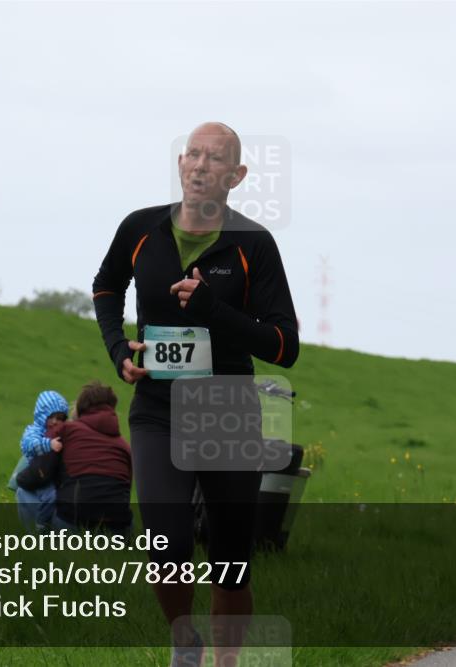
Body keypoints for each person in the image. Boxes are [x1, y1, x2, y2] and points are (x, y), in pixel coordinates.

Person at [91, 122, 299, 667]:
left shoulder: (254, 244)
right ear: (181, 163)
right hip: (158, 411)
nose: (201, 165)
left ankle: (227, 661)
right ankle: (186, 645)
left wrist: (214, 311)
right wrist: (118, 348)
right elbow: (107, 286)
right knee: (168, 547)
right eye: (193, 155)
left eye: (215, 159)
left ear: (237, 175)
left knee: (231, 562)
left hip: (228, 413)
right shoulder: (140, 228)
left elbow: (284, 346)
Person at [47, 381, 133, 535]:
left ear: (80, 408)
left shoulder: (67, 430)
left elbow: (40, 460)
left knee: (28, 490)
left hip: (73, 519)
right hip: (116, 526)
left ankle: (39, 537)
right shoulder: (124, 446)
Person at [10, 390, 68, 532]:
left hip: (50, 473)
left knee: (54, 495)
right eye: (51, 417)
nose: (55, 421)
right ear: (42, 415)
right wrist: (49, 444)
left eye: (59, 418)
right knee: (50, 496)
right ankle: (41, 524)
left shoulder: (59, 431)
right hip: (38, 473)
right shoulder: (34, 430)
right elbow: (29, 445)